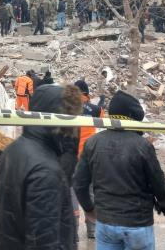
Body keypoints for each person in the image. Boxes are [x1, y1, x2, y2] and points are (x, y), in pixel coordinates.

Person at [73, 91, 165, 250]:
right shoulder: (142, 146)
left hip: (105, 222)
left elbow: (79, 182)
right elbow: (158, 181)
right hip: (137, 224)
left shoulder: (93, 143)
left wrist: (89, 209)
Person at [0, 84, 82, 250]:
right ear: (57, 118)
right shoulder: (46, 171)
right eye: (69, 118)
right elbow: (44, 241)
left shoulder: (13, 149)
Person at [73, 80, 105, 240]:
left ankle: (73, 232)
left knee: (71, 192)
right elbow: (102, 120)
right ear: (86, 93)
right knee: (91, 192)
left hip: (71, 157)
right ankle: (92, 229)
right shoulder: (95, 109)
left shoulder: (67, 109)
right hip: (90, 157)